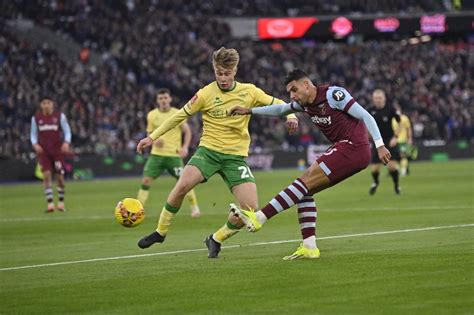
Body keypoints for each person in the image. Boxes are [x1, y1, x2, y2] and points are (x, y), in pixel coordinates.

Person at [135, 47, 299, 258]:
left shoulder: (250, 91)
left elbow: (277, 103)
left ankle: (216, 238)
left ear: (235, 71)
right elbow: (178, 117)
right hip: (208, 152)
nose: (222, 78)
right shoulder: (205, 94)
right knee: (182, 185)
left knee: (250, 211)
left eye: (227, 74)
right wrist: (152, 137)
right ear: (214, 70)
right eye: (219, 73)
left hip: (235, 157)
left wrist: (291, 117)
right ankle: (160, 232)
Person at [229, 69, 391, 260]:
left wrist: (380, 145)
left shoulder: (333, 95)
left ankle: (260, 218)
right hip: (345, 148)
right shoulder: (304, 104)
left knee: (304, 180)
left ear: (306, 85)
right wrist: (249, 111)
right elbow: (281, 110)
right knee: (306, 191)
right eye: (290, 92)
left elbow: (366, 116)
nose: (292, 96)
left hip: (353, 147)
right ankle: (309, 247)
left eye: (294, 90)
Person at [136, 88, 201, 217]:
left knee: (185, 182)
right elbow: (149, 133)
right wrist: (154, 141)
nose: (163, 100)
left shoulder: (177, 113)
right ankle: (138, 211)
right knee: (146, 181)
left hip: (173, 155)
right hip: (156, 156)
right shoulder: (151, 115)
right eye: (161, 98)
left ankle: (195, 208)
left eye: (165, 98)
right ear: (157, 100)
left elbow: (187, 131)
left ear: (170, 99)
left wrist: (185, 147)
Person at [30, 96, 72, 213]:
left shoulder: (59, 117)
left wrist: (66, 142)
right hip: (44, 152)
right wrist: (35, 144)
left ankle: (61, 203)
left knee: (60, 179)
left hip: (57, 152)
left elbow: (67, 131)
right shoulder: (36, 118)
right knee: (47, 175)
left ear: (52, 104)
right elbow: (33, 134)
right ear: (41, 105)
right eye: (44, 103)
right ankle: (50, 205)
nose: (46, 105)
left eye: (48, 103)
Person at [368, 89, 402, 195]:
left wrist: (395, 137)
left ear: (384, 98)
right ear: (373, 99)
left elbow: (400, 123)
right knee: (374, 169)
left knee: (392, 167)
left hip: (389, 140)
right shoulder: (370, 110)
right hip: (377, 142)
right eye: (376, 98)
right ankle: (375, 182)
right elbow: (364, 124)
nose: (378, 100)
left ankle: (396, 186)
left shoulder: (390, 109)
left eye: (380, 98)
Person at [391, 106, 413, 176]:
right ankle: (397, 170)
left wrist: (410, 138)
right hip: (394, 140)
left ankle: (403, 171)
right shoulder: (392, 118)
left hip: (403, 140)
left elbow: (408, 129)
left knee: (403, 155)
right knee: (395, 156)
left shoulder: (404, 118)